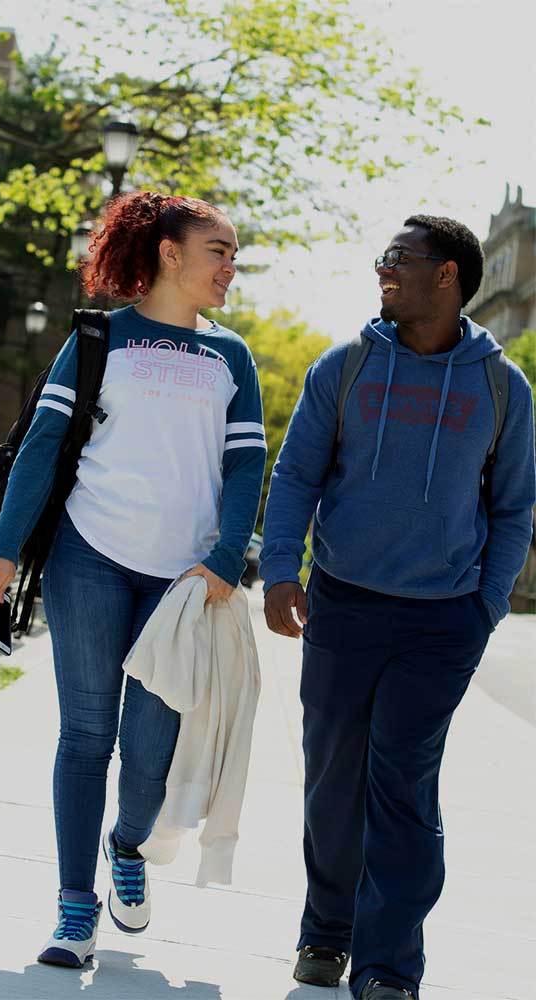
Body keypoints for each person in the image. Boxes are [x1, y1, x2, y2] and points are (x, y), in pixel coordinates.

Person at [0, 191, 266, 968]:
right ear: (170, 254)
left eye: (233, 254)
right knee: (85, 734)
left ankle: (127, 845)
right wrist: (3, 548)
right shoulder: (99, 338)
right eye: (219, 251)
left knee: (149, 754)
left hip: (182, 583)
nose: (231, 267)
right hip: (90, 558)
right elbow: (43, 443)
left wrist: (226, 557)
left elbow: (246, 463)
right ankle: (75, 908)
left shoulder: (229, 355)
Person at [260, 215, 536, 1000]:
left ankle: (387, 967)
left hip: (440, 619)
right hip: (344, 605)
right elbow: (296, 474)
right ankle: (327, 929)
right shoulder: (344, 367)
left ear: (446, 276)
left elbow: (515, 507)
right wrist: (283, 568)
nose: (383, 268)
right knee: (333, 777)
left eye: (399, 259)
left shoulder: (498, 385)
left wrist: (484, 608)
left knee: (403, 783)